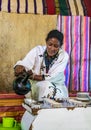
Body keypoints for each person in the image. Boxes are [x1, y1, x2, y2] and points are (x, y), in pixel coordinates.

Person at [14, 29, 69, 101]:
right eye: (50, 44)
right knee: (29, 90)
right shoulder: (37, 50)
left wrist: (33, 76)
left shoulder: (64, 56)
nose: (52, 48)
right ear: (46, 42)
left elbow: (54, 75)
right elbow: (25, 63)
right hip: (36, 84)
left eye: (56, 46)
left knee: (48, 88)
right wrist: (19, 67)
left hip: (56, 85)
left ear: (60, 46)